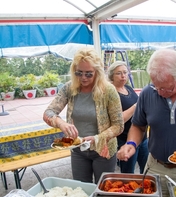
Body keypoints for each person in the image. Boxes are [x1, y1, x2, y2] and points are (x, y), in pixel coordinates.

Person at [117, 48, 176, 197]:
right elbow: (138, 125)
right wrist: (131, 143)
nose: (160, 92)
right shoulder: (148, 92)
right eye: (156, 86)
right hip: (155, 168)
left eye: (166, 88)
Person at [43, 47, 124, 184]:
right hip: (78, 149)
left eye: (89, 74)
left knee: (103, 190)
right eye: (79, 73)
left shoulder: (108, 90)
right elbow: (48, 113)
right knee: (81, 189)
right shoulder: (70, 88)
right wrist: (61, 123)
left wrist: (97, 138)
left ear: (97, 72)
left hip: (103, 150)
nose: (83, 78)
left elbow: (119, 125)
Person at [107, 61, 149, 174]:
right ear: (111, 75)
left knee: (146, 171)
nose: (123, 76)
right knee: (128, 173)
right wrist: (136, 106)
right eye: (119, 73)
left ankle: (144, 191)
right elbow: (120, 119)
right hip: (124, 140)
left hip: (143, 137)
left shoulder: (128, 88)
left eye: (125, 72)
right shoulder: (111, 93)